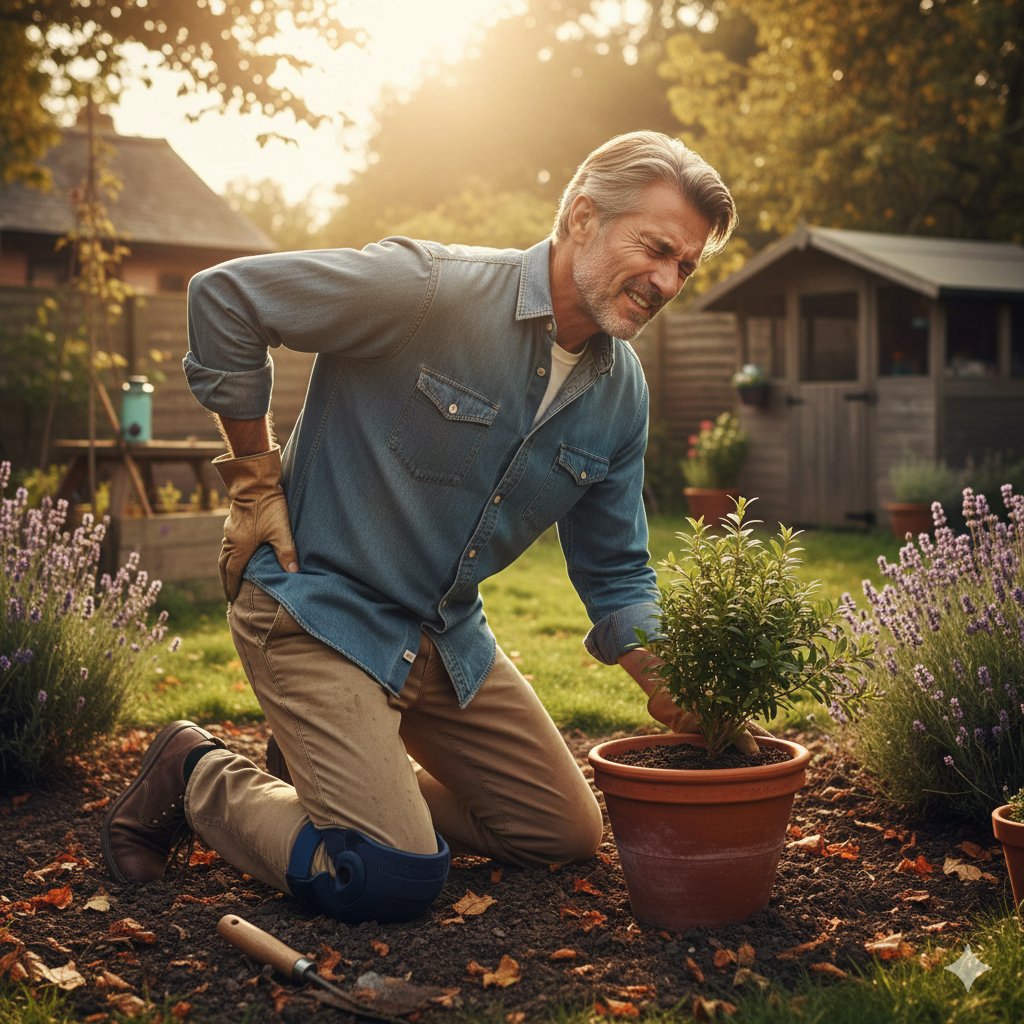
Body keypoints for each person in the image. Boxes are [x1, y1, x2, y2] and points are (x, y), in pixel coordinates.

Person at [101, 130, 742, 924]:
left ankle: (341, 777)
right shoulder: (428, 288)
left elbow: (616, 570)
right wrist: (253, 479)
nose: (668, 280)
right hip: (316, 609)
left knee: (562, 834)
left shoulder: (623, 395)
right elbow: (226, 298)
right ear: (582, 218)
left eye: (686, 265)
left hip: (441, 638)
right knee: (388, 876)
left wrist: (666, 676)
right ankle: (196, 773)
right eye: (657, 248)